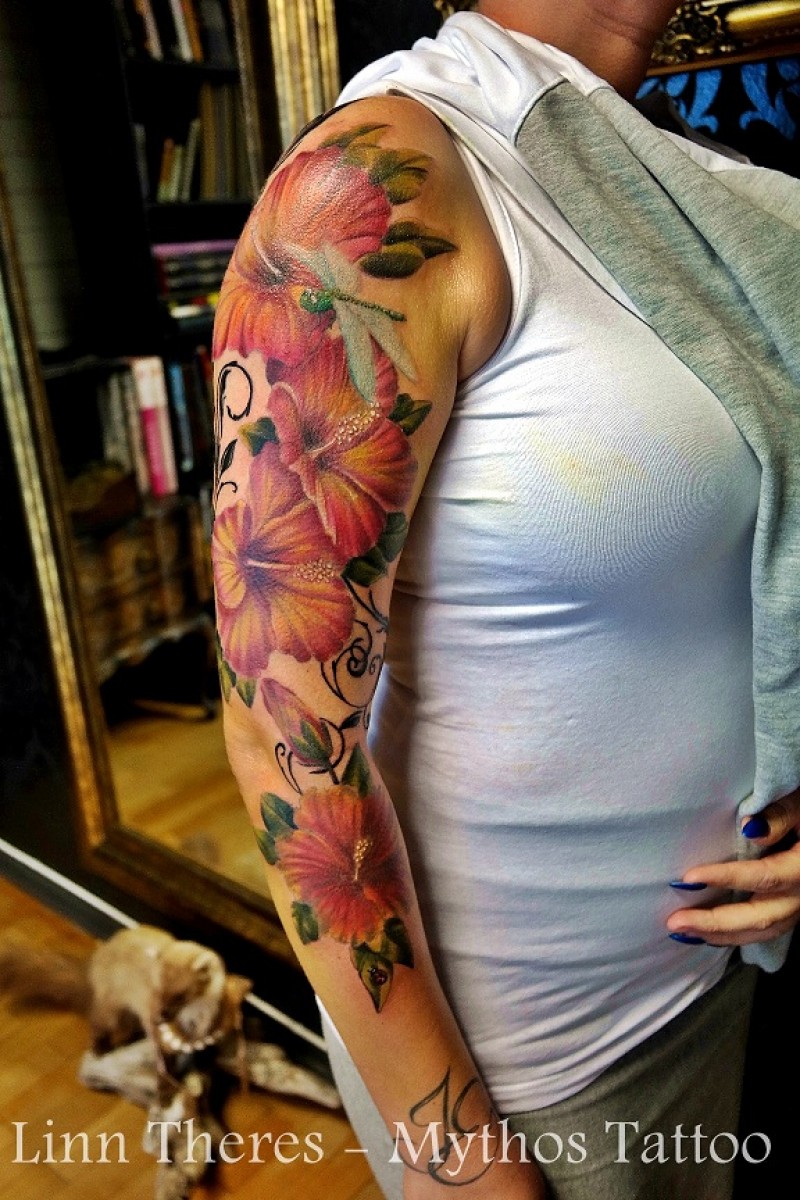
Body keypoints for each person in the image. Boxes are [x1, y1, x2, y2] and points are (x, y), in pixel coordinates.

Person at [209, 2, 800, 1197]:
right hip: (531, 1051)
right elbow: (287, 739)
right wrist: (455, 1159)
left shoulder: (685, 186)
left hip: (717, 980)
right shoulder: (378, 192)